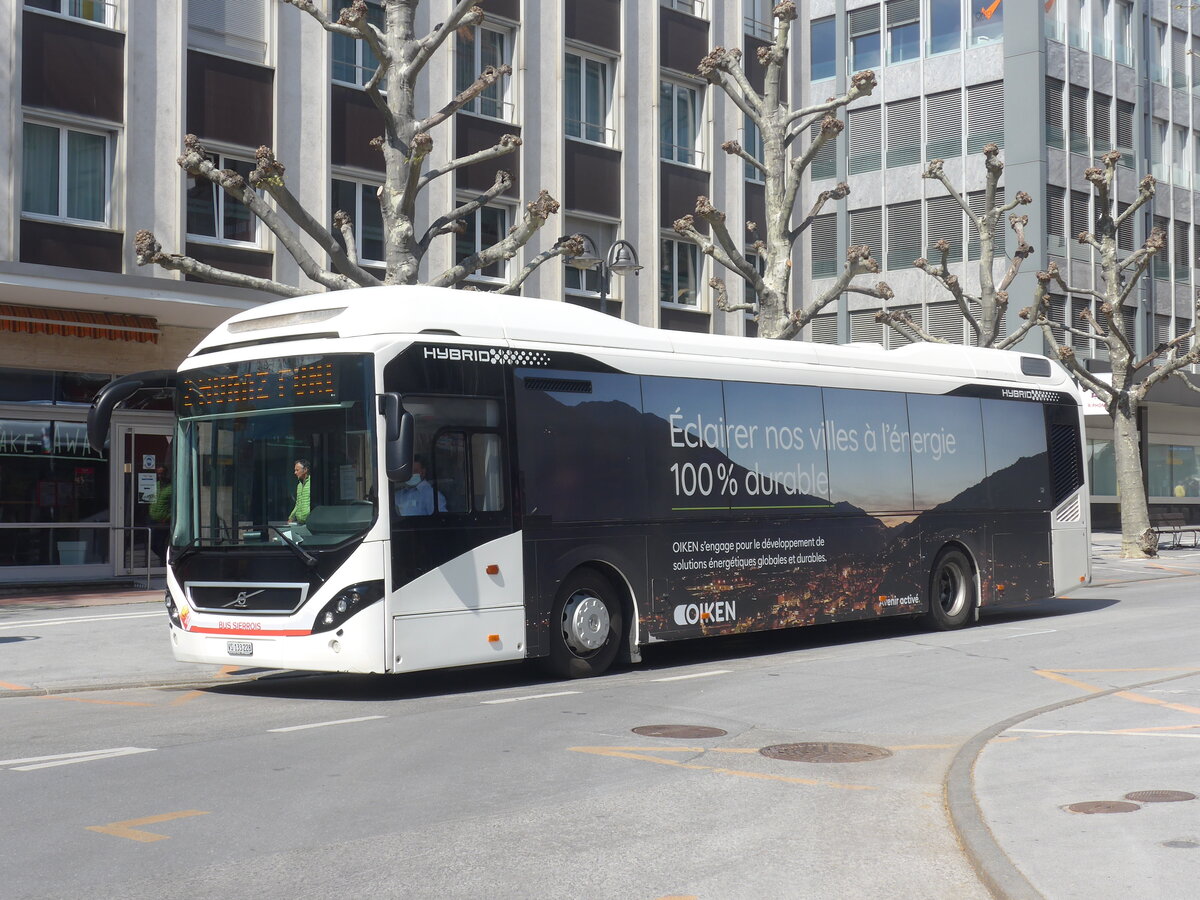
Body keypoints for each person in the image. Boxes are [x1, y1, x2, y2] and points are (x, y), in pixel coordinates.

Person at [148, 466, 172, 565]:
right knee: (152, 544)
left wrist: (168, 517)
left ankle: (163, 562)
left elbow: (175, 505)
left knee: (162, 543)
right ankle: (163, 559)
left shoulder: (171, 487)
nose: (160, 476)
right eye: (158, 474)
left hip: (164, 521)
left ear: (166, 474)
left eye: (162, 473)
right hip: (152, 519)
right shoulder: (155, 485)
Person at [289, 458, 312, 525]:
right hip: (300, 523)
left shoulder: (312, 483)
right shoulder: (299, 485)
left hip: (310, 522)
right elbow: (298, 503)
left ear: (305, 470)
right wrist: (291, 517)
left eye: (297, 470)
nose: (295, 472)